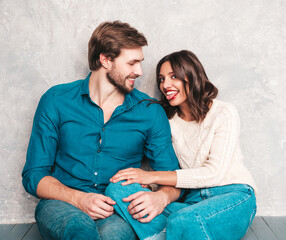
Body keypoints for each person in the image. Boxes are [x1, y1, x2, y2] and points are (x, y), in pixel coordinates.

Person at [22, 21, 182, 240]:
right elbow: (34, 174)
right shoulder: (56, 100)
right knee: (81, 234)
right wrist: (79, 199)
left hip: (117, 208)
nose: (140, 72)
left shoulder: (149, 111)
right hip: (62, 203)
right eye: (132, 63)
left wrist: (161, 197)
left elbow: (173, 177)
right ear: (105, 59)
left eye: (140, 63)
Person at [111, 50, 258, 240]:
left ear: (192, 75)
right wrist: (151, 188)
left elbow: (214, 173)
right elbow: (170, 167)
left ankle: (172, 232)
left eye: (174, 76)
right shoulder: (167, 122)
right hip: (191, 201)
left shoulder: (224, 113)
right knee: (118, 190)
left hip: (232, 194)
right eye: (162, 79)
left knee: (185, 220)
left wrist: (150, 176)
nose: (165, 84)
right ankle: (173, 234)